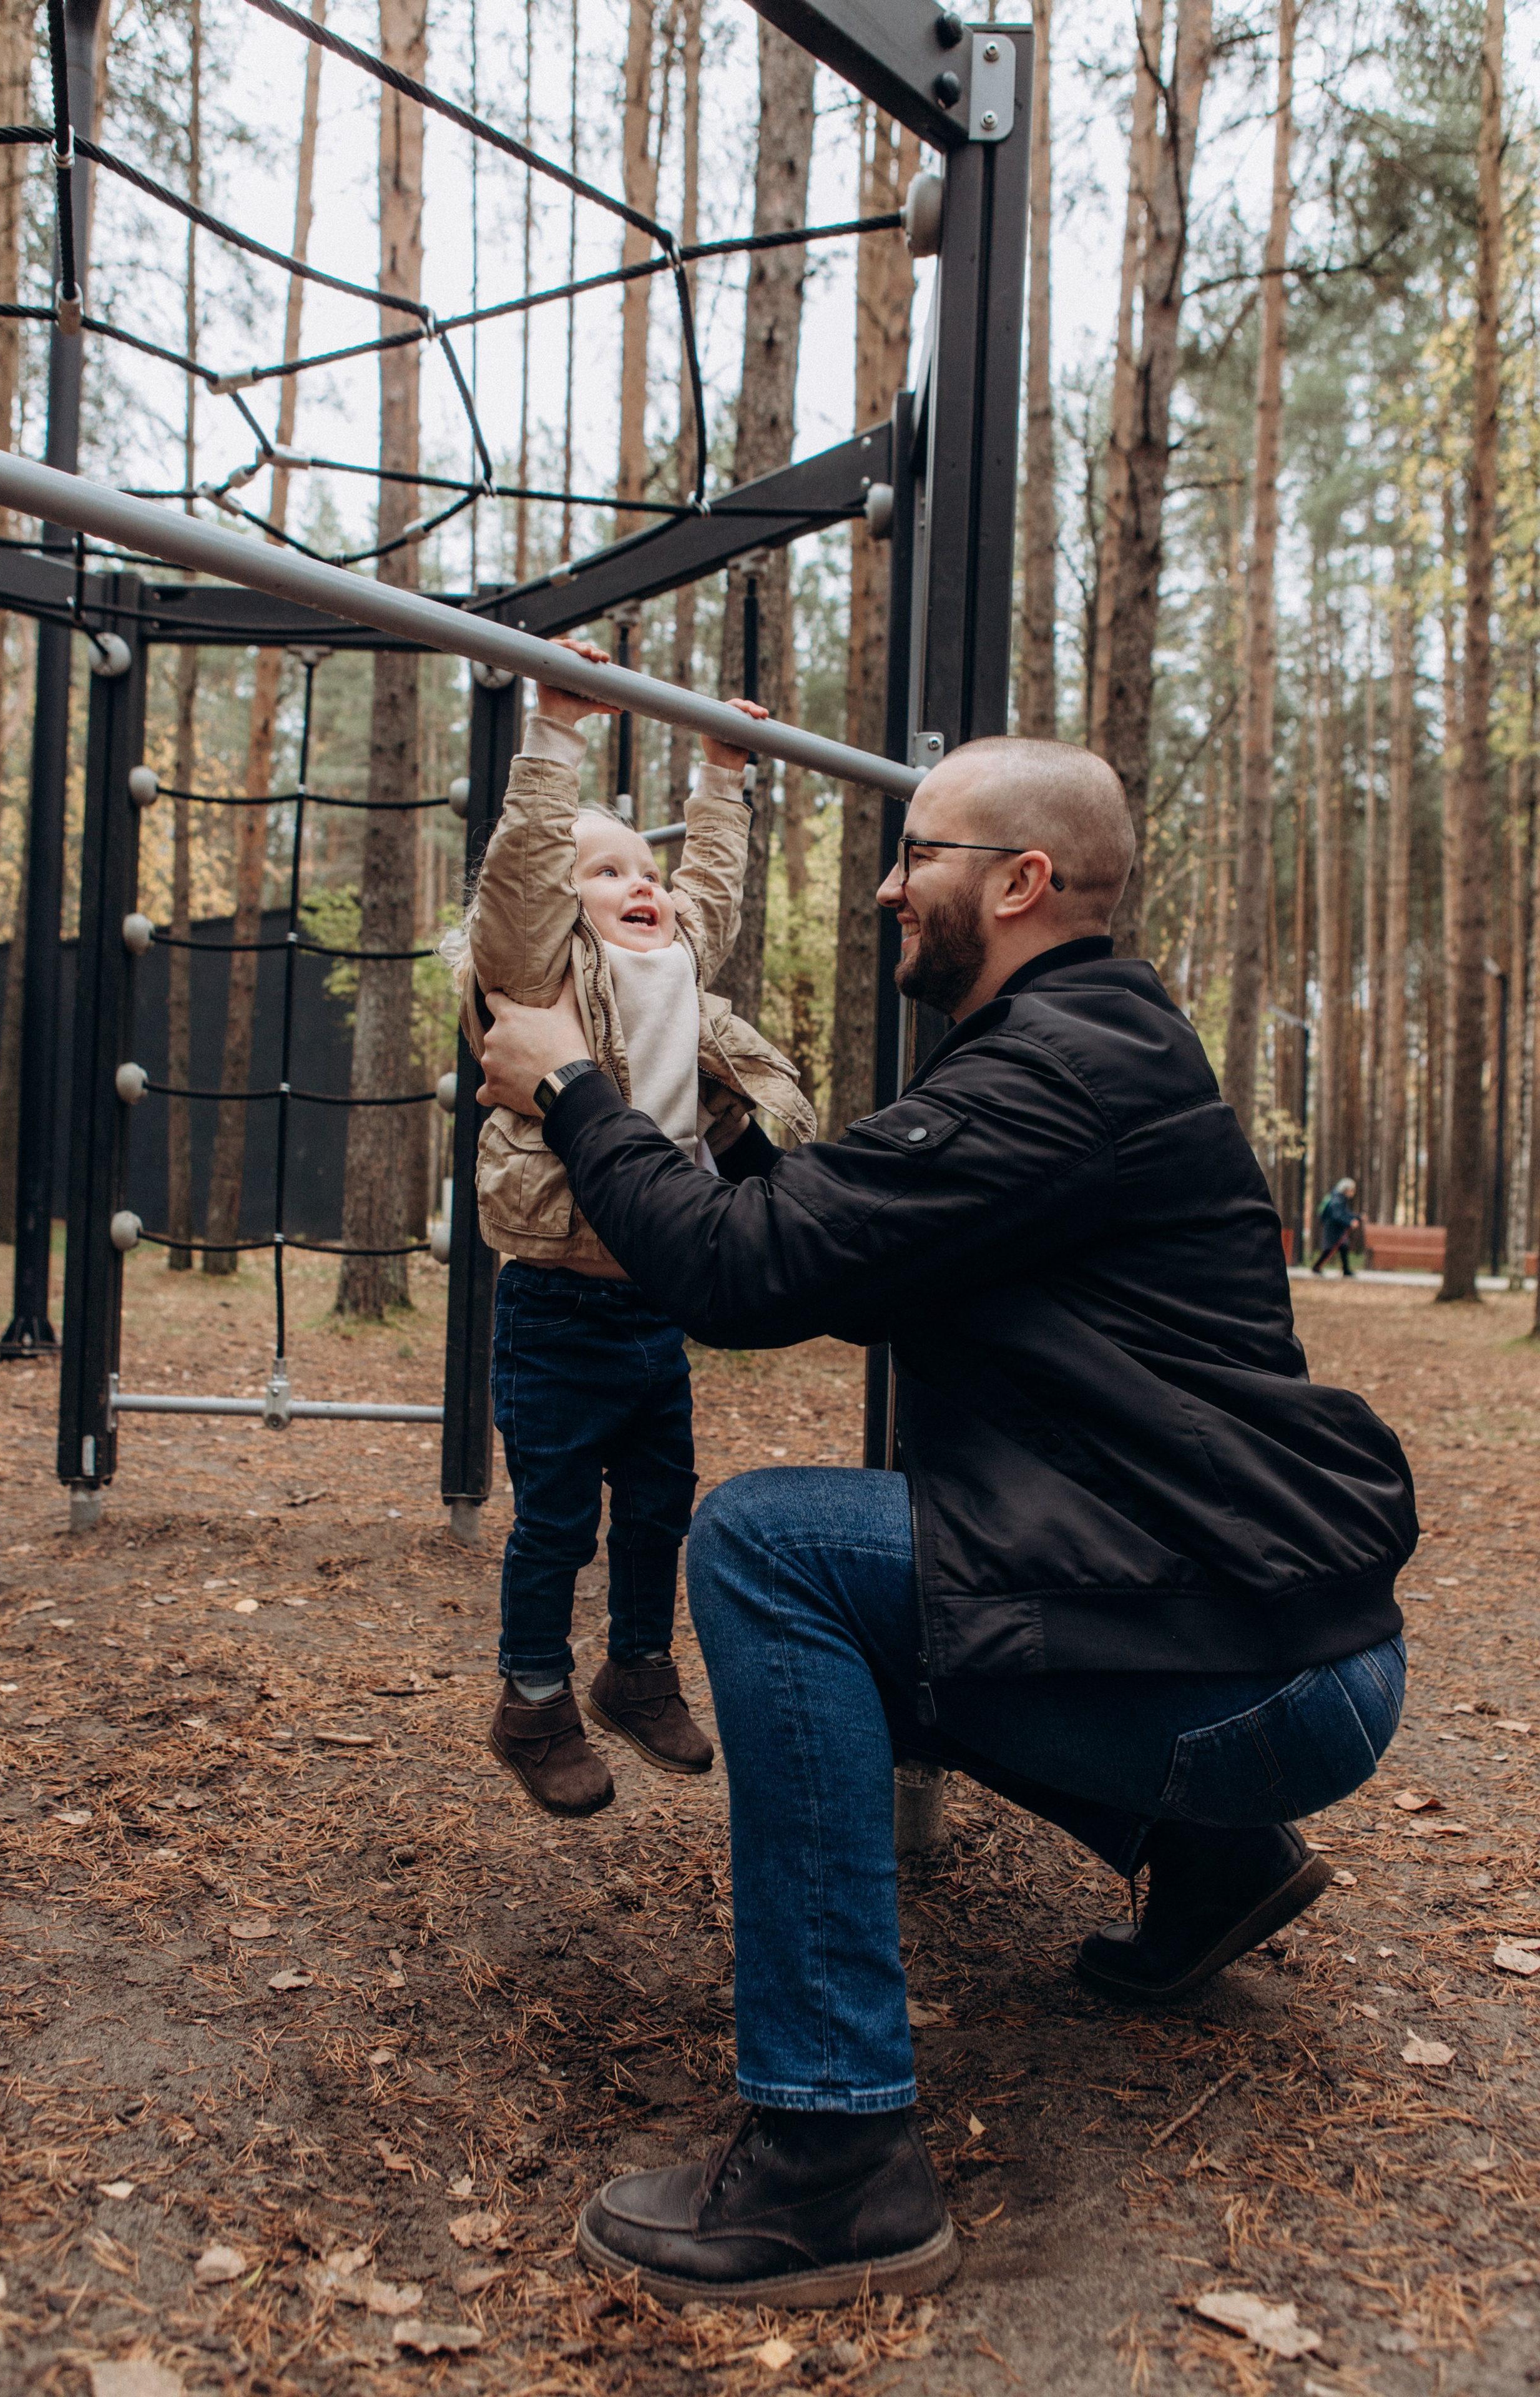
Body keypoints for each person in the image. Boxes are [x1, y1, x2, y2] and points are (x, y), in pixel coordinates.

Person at [474, 734, 1417, 2307]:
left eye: (918, 854)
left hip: (1253, 1673)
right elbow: (818, 1239)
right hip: (1244, 1633)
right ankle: (1203, 1867)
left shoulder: (1049, 1073)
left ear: (1021, 881)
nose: (889, 884)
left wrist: (572, 1095)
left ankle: (831, 2151)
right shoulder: (1071, 1053)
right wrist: (690, 1121)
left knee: (769, 1546)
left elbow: (740, 1280)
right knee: (877, 1591)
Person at [442, 639, 814, 1819]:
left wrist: (723, 774)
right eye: (601, 873)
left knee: (661, 1501)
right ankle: (532, 1698)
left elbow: (715, 882)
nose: (636, 882)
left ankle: (636, 1667)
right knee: (557, 1518)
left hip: (651, 1295)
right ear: (565, 906)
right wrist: (553, 731)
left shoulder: (679, 962)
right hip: (556, 1301)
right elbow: (518, 881)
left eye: (640, 868)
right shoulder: (539, 975)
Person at [1313, 1178, 1361, 1277]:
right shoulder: (1337, 1200)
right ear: (1346, 1189)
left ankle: (1346, 1270)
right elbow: (1338, 1215)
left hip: (1336, 1228)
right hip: (1332, 1228)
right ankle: (1316, 1267)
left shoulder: (1340, 1198)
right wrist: (1350, 1222)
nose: (1353, 1192)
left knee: (1343, 1247)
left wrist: (1357, 1217)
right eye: (1352, 1189)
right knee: (1329, 1249)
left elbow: (1345, 1213)